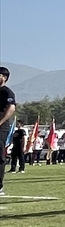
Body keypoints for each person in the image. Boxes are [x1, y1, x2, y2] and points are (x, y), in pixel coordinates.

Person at [0, 67, 15, 196]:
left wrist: (1, 122)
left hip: (1, 128)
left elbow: (11, 108)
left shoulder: (7, 92)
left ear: (4, 77)